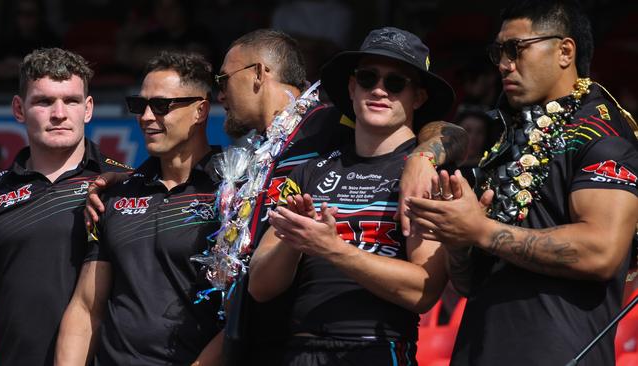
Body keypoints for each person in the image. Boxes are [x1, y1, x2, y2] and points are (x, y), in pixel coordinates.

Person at [84, 29, 466, 365]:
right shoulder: (251, 152)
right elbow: (187, 178)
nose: (219, 93)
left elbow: (442, 129)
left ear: (258, 75)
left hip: (351, 340)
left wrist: (424, 154)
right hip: (267, 342)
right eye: (366, 79)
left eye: (223, 78)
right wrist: (129, 181)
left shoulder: (326, 122)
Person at [406, 1, 638, 365]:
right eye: (498, 51)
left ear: (564, 51)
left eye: (516, 49)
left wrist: (479, 230)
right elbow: (469, 283)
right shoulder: (509, 128)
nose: (502, 64)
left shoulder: (602, 132)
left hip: (558, 354)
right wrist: (457, 240)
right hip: (478, 349)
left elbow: (602, 250)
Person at [248, 26, 453, 365]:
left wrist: (333, 249)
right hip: (299, 351)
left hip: (376, 349)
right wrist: (293, 240)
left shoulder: (424, 173)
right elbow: (260, 286)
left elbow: (424, 290)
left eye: (395, 82)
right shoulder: (309, 171)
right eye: (368, 77)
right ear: (352, 86)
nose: (379, 90)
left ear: (418, 97)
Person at [55, 51, 223, 365]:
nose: (146, 117)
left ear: (201, 110)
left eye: (161, 106)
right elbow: (87, 306)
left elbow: (247, 314)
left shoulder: (233, 191)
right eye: (139, 105)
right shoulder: (115, 194)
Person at [0, 47, 130, 366]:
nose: (59, 113)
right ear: (18, 108)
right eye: (44, 101)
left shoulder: (126, 186)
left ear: (88, 108)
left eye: (71, 100)